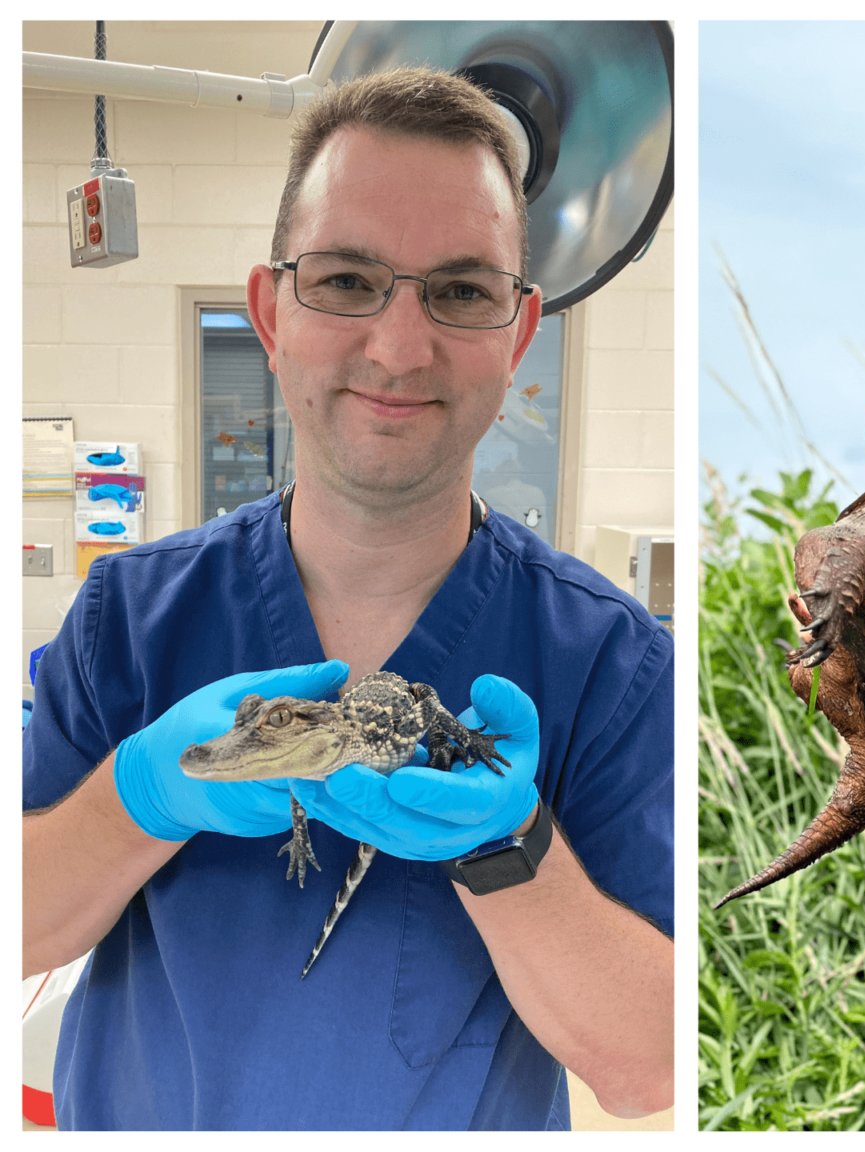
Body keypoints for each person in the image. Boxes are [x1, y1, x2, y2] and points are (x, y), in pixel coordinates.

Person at [22, 68, 674, 1130]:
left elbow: (648, 1071)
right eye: (345, 278)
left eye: (462, 290)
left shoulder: (611, 660)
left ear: (517, 337)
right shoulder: (126, 616)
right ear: (270, 311)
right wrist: (139, 796)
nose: (399, 346)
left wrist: (512, 851)